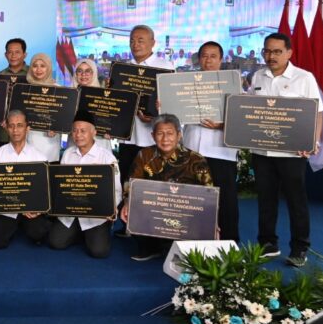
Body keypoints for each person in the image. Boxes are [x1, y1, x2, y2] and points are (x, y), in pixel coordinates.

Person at [250, 32, 323, 267]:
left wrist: (313, 141)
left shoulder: (304, 77)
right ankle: (267, 243)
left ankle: (300, 248)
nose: (271, 56)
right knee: (265, 199)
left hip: (292, 152)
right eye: (267, 51)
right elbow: (251, 109)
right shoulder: (257, 76)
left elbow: (317, 112)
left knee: (296, 200)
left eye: (277, 51)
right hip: (262, 151)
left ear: (289, 53)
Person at [120, 114, 213, 262]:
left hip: (185, 214)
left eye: (170, 133)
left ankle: (177, 244)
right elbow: (131, 183)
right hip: (154, 211)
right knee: (132, 208)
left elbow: (209, 193)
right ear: (152, 136)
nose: (165, 139)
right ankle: (151, 247)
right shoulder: (144, 155)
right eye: (160, 133)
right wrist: (127, 203)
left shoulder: (196, 159)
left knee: (191, 248)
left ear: (179, 135)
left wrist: (212, 220)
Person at [181, 41, 240, 242]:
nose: (208, 60)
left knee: (225, 198)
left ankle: (229, 241)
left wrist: (222, 125)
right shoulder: (185, 84)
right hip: (191, 148)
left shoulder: (233, 85)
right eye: (204, 56)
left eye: (213, 56)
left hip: (220, 150)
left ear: (221, 60)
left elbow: (242, 118)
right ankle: (190, 240)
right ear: (199, 59)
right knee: (191, 196)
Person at [49, 111, 120, 258]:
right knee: (56, 242)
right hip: (72, 212)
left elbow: (117, 190)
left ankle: (96, 232)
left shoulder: (107, 157)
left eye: (83, 131)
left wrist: (111, 207)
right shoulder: (68, 154)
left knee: (98, 252)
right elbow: (62, 186)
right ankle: (80, 233)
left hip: (95, 216)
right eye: (75, 131)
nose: (78, 135)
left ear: (94, 132)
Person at [0, 109, 49, 249]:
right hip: (5, 209)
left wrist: (38, 210)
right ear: (6, 128)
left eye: (20, 125)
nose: (15, 130)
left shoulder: (40, 157)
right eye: (11, 126)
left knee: (38, 233)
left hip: (30, 210)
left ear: (27, 128)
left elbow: (44, 191)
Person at [117, 26, 173, 186]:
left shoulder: (166, 67)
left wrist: (158, 114)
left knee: (153, 184)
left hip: (154, 138)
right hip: (128, 137)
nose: (135, 44)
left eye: (140, 40)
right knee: (128, 182)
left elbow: (172, 103)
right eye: (132, 41)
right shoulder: (123, 69)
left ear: (153, 43)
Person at [24, 52, 62, 161]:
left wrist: (57, 128)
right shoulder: (24, 89)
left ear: (49, 67)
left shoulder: (59, 89)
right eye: (35, 66)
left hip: (50, 141)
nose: (38, 69)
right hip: (29, 138)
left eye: (42, 66)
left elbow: (62, 116)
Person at [72, 57, 112, 153]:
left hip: (100, 142)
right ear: (75, 74)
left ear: (94, 73)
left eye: (88, 71)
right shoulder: (69, 95)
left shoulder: (104, 95)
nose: (83, 74)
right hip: (75, 143)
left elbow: (110, 120)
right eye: (79, 71)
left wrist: (111, 131)